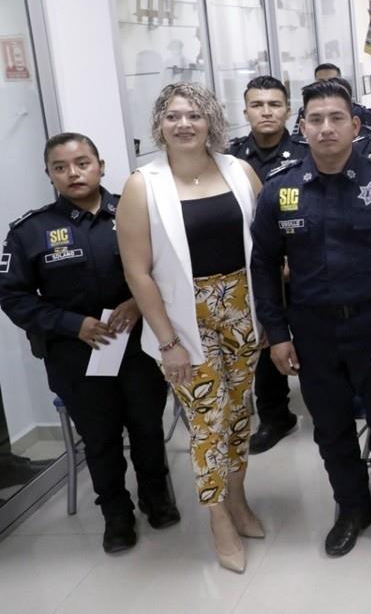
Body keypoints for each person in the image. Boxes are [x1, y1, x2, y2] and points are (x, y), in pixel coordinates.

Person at [251, 80, 371, 558]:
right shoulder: (280, 190)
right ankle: (352, 508)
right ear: (302, 127)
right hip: (313, 332)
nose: (326, 128)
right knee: (331, 429)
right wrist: (276, 334)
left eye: (336, 118)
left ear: (356, 126)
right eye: (315, 120)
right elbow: (264, 267)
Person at [0, 134, 177, 554]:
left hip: (139, 346)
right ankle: (116, 514)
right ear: (49, 175)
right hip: (76, 354)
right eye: (60, 167)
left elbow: (170, 268)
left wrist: (138, 302)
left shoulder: (137, 212)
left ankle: (157, 498)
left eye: (82, 163)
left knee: (147, 428)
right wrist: (69, 324)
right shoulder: (30, 232)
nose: (73, 173)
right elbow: (12, 295)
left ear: (101, 164)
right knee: (99, 439)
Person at [116, 83, 264, 573]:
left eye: (194, 116)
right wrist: (168, 342)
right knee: (206, 423)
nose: (184, 124)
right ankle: (219, 518)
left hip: (243, 310)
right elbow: (138, 271)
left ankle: (239, 499)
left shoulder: (239, 171)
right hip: (182, 319)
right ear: (160, 123)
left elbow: (265, 246)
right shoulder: (143, 184)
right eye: (173, 116)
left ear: (211, 122)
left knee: (240, 413)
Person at [226, 76, 306, 455]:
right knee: (266, 340)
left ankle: (327, 406)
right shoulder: (228, 160)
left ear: (287, 110)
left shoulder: (307, 152)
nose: (266, 111)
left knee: (313, 338)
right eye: (257, 105)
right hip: (253, 268)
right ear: (246, 112)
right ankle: (276, 416)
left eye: (274, 104)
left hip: (303, 266)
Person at [311, 63, 371, 131]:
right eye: (321, 82)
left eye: (332, 82)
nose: (326, 86)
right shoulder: (307, 112)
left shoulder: (362, 114)